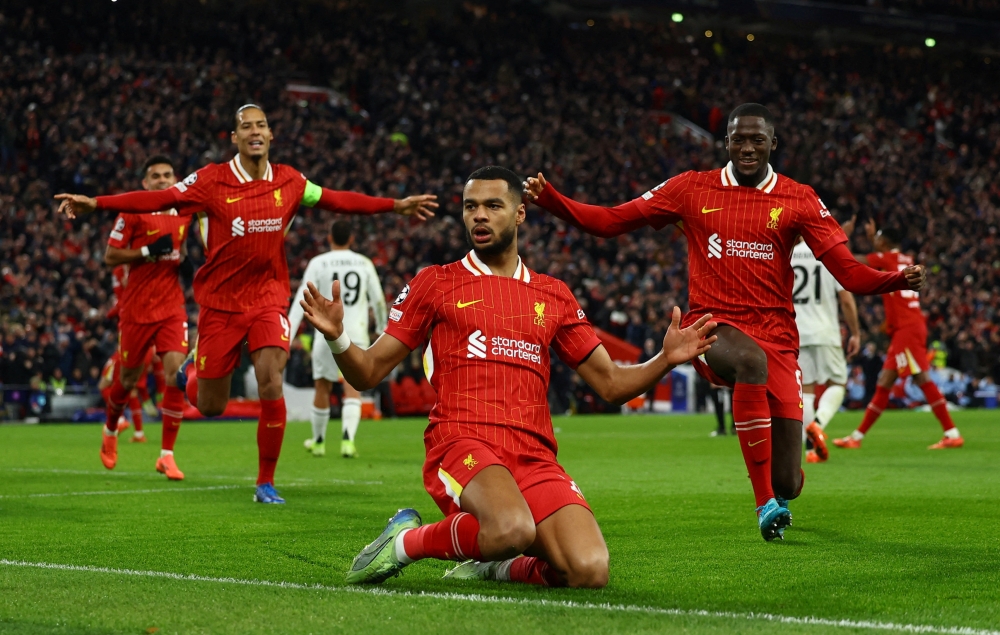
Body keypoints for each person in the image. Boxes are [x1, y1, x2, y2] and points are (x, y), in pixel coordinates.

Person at [298, 166, 717, 586]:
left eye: (493, 206)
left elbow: (610, 385)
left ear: (519, 214)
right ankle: (405, 542)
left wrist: (665, 359)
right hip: (463, 439)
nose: (479, 216)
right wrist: (338, 338)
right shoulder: (436, 283)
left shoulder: (553, 294)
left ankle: (493, 566)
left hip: (534, 454)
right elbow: (369, 371)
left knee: (589, 570)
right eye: (470, 207)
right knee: (511, 529)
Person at [524, 103, 926, 540]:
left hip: (779, 337)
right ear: (727, 142)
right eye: (738, 139)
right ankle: (762, 505)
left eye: (757, 139)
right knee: (749, 363)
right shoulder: (691, 189)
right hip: (711, 327)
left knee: (789, 480)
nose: (747, 147)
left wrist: (893, 280)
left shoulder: (800, 197)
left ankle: (776, 492)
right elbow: (610, 221)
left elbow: (848, 272)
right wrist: (552, 201)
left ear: (773, 143)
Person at [55, 104, 438, 504]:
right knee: (210, 404)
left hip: (268, 298)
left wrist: (397, 205)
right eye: (246, 126)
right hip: (220, 305)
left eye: (262, 125)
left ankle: (265, 483)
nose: (255, 131)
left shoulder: (291, 181)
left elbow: (338, 200)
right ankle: (191, 373)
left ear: (271, 135)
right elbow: (161, 197)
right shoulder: (211, 181)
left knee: (271, 380)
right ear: (234, 138)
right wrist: (96, 203)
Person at [833, 222, 962, 450]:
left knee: (918, 378)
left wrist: (842, 237)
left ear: (883, 243)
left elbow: (852, 259)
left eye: (878, 238)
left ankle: (951, 433)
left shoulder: (886, 259)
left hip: (907, 330)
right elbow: (887, 263)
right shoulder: (905, 259)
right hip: (908, 326)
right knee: (887, 383)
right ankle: (856, 437)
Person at [99, 155, 189, 478]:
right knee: (125, 381)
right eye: (156, 176)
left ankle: (166, 454)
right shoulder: (132, 212)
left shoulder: (186, 211)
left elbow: (188, 244)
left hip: (171, 307)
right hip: (136, 310)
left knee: (176, 373)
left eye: (168, 174)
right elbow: (110, 256)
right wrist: (148, 251)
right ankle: (110, 430)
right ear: (145, 183)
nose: (163, 181)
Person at [288, 220, 388, 458]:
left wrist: (288, 334)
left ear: (329, 238)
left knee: (322, 386)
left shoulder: (318, 263)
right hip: (357, 332)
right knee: (353, 386)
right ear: (351, 239)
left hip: (326, 333)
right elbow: (379, 300)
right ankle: (347, 441)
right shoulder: (364, 263)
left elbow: (302, 298)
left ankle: (319, 442)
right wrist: (384, 329)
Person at [790, 238, 861, 463]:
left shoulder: (788, 255)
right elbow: (846, 300)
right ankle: (817, 426)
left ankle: (812, 451)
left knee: (807, 391)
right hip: (825, 332)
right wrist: (855, 333)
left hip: (797, 331)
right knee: (838, 383)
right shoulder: (827, 254)